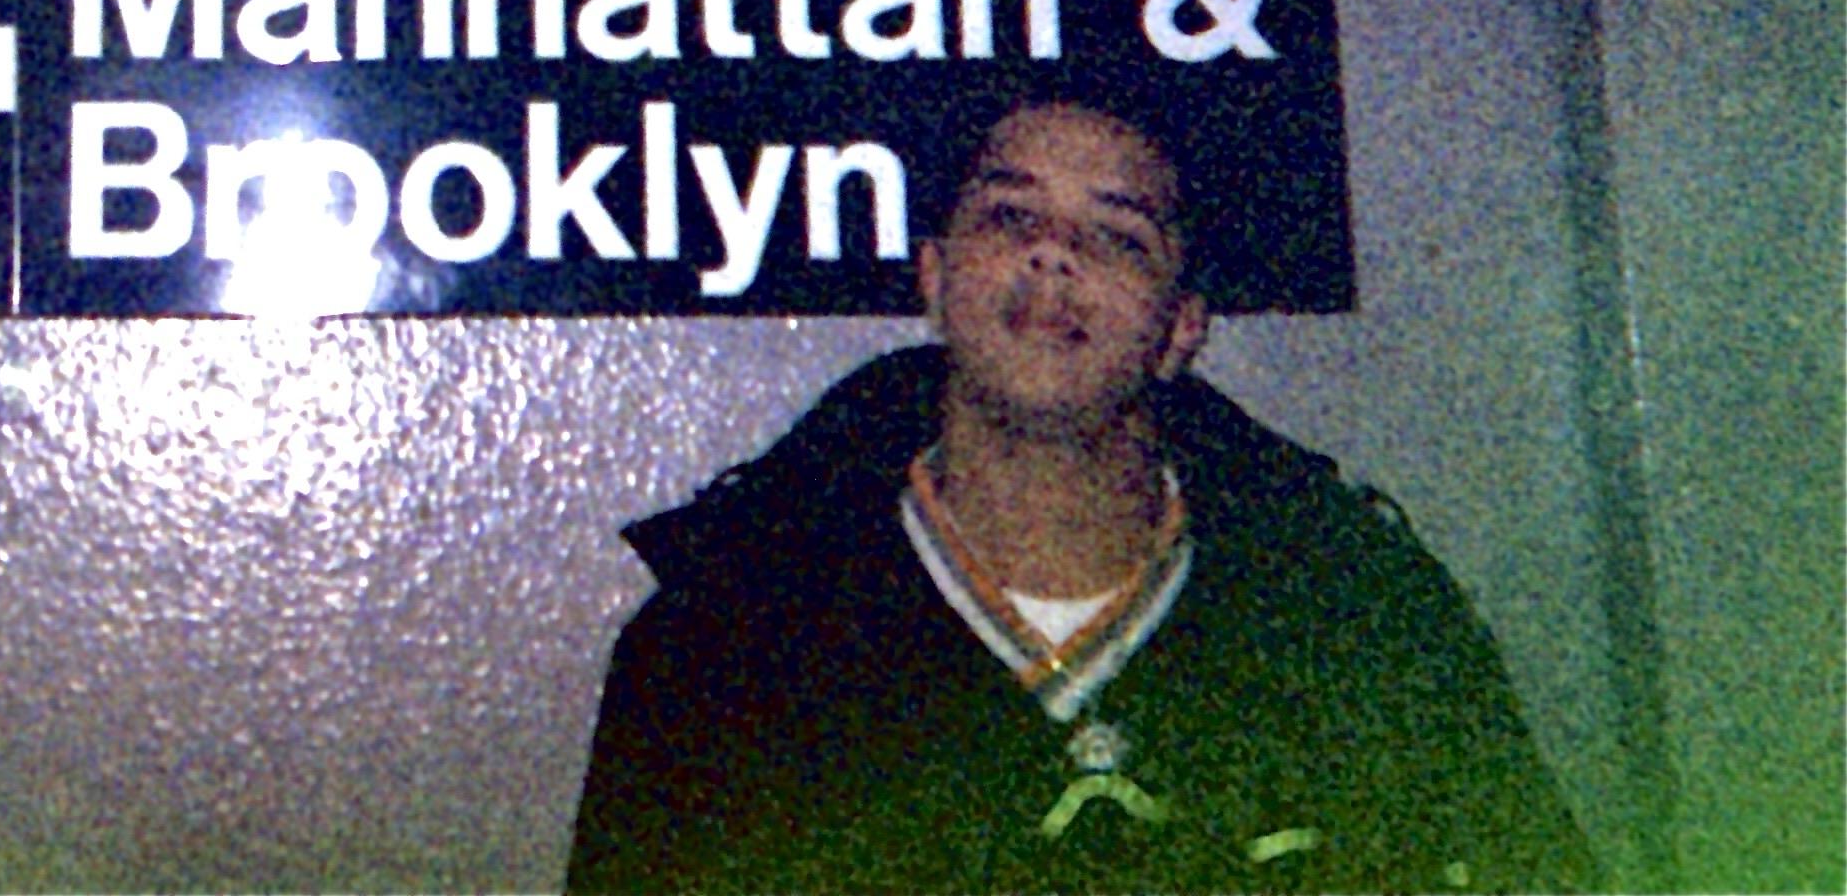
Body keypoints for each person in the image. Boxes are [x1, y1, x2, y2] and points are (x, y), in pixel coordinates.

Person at [564, 98, 1597, 894]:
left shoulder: (1365, 631)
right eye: (1008, 214)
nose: (1050, 253)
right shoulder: (725, 641)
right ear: (933, 274)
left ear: (1182, 326)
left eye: (1116, 235)